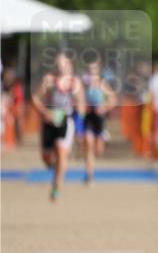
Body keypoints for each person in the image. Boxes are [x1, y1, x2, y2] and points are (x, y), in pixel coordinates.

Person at [30, 52, 85, 201]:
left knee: (61, 152)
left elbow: (81, 105)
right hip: (48, 123)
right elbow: (35, 98)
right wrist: (45, 111)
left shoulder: (75, 83)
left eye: (64, 64)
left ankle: (56, 187)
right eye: (58, 64)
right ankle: (57, 168)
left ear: (70, 65)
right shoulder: (48, 80)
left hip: (66, 122)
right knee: (46, 157)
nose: (61, 67)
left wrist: (79, 127)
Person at [81, 58, 118, 184]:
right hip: (88, 117)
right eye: (89, 69)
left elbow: (113, 100)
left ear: (98, 71)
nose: (91, 72)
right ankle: (89, 175)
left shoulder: (102, 84)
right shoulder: (84, 85)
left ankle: (103, 138)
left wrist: (103, 108)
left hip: (99, 118)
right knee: (88, 144)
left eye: (94, 69)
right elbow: (78, 99)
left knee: (98, 150)